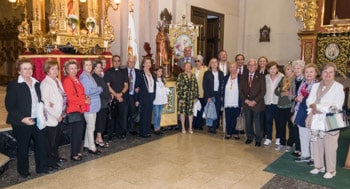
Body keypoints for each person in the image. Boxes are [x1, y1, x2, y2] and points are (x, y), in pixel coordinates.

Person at [5, 58, 51, 178]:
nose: (28, 71)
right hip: (22, 122)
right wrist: (22, 119)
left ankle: (41, 168)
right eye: (24, 69)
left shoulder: (37, 83)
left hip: (37, 120)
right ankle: (23, 170)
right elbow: (10, 106)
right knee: (23, 147)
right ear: (19, 71)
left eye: (30, 68)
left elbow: (38, 100)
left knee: (41, 144)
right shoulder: (14, 85)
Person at [307, 62, 344, 179]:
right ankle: (319, 166)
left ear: (334, 74)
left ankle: (331, 170)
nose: (327, 74)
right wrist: (314, 107)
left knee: (330, 146)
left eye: (330, 72)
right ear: (321, 73)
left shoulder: (338, 87)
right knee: (316, 143)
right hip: (316, 118)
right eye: (325, 72)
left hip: (330, 119)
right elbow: (309, 101)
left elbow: (336, 106)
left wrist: (317, 107)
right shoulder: (315, 85)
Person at [40, 59, 67, 170]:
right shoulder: (45, 83)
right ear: (47, 70)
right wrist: (56, 115)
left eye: (56, 68)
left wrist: (60, 113)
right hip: (52, 117)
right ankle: (51, 162)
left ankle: (56, 158)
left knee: (56, 140)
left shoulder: (57, 80)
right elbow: (46, 103)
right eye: (52, 69)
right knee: (50, 142)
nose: (55, 71)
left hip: (60, 115)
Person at [62, 59, 90, 161]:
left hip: (80, 109)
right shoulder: (67, 81)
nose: (74, 70)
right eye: (71, 69)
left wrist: (85, 97)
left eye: (75, 68)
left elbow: (80, 93)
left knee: (79, 133)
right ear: (67, 70)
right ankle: (74, 154)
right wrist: (84, 101)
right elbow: (70, 98)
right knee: (75, 133)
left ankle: (78, 151)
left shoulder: (76, 79)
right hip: (73, 110)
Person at [294, 63, 318, 165]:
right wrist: (297, 98)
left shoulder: (317, 85)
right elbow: (297, 98)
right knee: (303, 135)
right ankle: (305, 155)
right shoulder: (303, 84)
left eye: (311, 72)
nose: (309, 74)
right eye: (307, 72)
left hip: (312, 113)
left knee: (312, 136)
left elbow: (317, 101)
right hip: (301, 111)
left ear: (316, 73)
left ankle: (314, 158)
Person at [239, 58, 266, 147]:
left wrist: (254, 101)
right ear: (247, 66)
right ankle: (249, 137)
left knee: (258, 123)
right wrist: (246, 101)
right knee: (248, 122)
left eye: (253, 65)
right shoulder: (243, 76)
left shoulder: (261, 76)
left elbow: (263, 91)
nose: (251, 67)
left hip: (257, 104)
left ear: (256, 66)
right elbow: (241, 90)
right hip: (246, 104)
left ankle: (258, 139)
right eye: (250, 65)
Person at [79, 58, 102, 155]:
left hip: (94, 104)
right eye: (86, 65)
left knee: (90, 125)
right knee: (91, 127)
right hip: (89, 105)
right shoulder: (84, 77)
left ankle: (87, 144)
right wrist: (100, 89)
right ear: (83, 67)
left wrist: (96, 89)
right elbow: (87, 92)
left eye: (90, 65)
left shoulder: (89, 75)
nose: (88, 67)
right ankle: (92, 147)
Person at [104, 55, 129, 140]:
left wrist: (121, 94)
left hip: (122, 97)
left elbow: (126, 85)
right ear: (112, 62)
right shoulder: (108, 72)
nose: (117, 62)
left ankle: (122, 132)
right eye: (115, 61)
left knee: (122, 116)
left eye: (118, 61)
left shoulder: (124, 72)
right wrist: (116, 95)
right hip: (113, 98)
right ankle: (110, 134)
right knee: (112, 117)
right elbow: (107, 86)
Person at [274, 62, 295, 151]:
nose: (286, 71)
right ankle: (282, 143)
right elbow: (276, 91)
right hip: (281, 105)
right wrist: (283, 93)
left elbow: (295, 92)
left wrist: (290, 94)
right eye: (285, 69)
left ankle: (290, 143)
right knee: (281, 125)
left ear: (292, 70)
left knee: (290, 126)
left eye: (288, 69)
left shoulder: (294, 79)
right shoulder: (282, 79)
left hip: (290, 106)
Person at [263, 61, 283, 146]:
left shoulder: (282, 77)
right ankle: (269, 138)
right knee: (268, 120)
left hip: (277, 102)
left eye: (274, 68)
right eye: (271, 68)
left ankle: (278, 137)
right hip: (268, 102)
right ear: (268, 70)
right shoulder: (265, 77)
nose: (273, 70)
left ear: (277, 69)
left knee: (278, 121)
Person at [92, 60, 111, 148]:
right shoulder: (94, 77)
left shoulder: (100, 76)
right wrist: (109, 96)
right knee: (100, 121)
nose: (99, 69)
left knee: (102, 120)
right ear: (94, 68)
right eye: (97, 67)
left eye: (100, 67)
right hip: (100, 102)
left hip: (103, 102)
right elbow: (101, 90)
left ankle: (98, 138)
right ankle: (99, 138)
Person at [203, 58, 224, 134]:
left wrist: (222, 95)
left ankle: (214, 127)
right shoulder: (207, 73)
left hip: (218, 94)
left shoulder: (221, 73)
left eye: (215, 62)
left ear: (217, 64)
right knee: (210, 111)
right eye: (212, 62)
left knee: (216, 111)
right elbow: (204, 86)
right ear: (210, 64)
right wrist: (208, 97)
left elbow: (222, 85)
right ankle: (210, 127)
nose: (214, 64)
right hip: (210, 94)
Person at [176, 62, 199, 134]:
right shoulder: (181, 75)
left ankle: (190, 127)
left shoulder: (193, 75)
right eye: (186, 66)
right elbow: (178, 86)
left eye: (189, 66)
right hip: (183, 96)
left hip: (191, 96)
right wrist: (180, 97)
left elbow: (196, 86)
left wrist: (196, 97)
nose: (188, 67)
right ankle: (183, 127)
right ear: (184, 67)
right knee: (182, 112)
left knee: (190, 112)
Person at [136, 57, 156, 138]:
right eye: (146, 62)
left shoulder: (151, 73)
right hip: (144, 96)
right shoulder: (140, 73)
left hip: (150, 95)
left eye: (149, 63)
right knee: (144, 114)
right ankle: (143, 132)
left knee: (149, 114)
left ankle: (147, 131)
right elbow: (136, 86)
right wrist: (137, 99)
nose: (148, 64)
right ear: (143, 64)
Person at [289, 60, 305, 157]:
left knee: (302, 130)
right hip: (294, 106)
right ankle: (298, 148)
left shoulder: (306, 80)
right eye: (294, 68)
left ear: (302, 69)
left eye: (298, 68)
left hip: (302, 107)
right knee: (294, 128)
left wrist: (300, 98)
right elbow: (290, 94)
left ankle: (303, 150)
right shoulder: (293, 80)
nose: (296, 70)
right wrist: (294, 97)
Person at [223, 62, 241, 140]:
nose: (232, 68)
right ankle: (229, 132)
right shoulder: (226, 77)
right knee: (228, 117)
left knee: (236, 117)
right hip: (227, 100)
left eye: (234, 67)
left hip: (237, 101)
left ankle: (236, 132)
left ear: (237, 68)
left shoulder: (241, 77)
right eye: (230, 67)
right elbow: (222, 89)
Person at [126, 56, 142, 136]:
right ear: (127, 62)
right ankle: (123, 129)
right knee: (124, 113)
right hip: (125, 95)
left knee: (133, 113)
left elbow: (141, 84)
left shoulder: (139, 72)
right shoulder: (123, 72)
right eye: (130, 62)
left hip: (133, 96)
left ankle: (132, 128)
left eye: (133, 62)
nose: (131, 63)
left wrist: (139, 88)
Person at [191, 55, 207, 130]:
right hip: (194, 92)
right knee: (194, 108)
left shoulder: (205, 69)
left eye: (198, 61)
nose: (197, 62)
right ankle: (194, 123)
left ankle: (200, 124)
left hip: (202, 92)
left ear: (202, 61)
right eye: (196, 61)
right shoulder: (193, 69)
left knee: (201, 108)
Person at [153, 67, 169, 135]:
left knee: (159, 115)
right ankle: (155, 128)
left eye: (161, 71)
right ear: (156, 72)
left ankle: (158, 127)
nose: (160, 73)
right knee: (156, 114)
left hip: (161, 100)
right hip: (156, 100)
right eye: (159, 71)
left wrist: (166, 100)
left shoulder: (162, 80)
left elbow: (164, 90)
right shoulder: (154, 80)